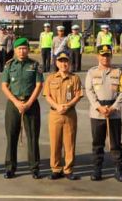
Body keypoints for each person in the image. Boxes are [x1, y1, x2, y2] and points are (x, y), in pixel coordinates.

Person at [1, 37, 44, 179]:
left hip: (31, 104)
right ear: (15, 50)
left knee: (32, 136)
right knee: (11, 136)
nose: (22, 51)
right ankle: (10, 167)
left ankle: (34, 167)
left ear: (28, 50)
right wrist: (16, 102)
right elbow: (4, 86)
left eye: (24, 48)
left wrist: (29, 103)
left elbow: (39, 85)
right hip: (13, 104)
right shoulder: (9, 65)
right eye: (19, 49)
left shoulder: (35, 65)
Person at [84, 44, 122, 182]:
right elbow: (89, 91)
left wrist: (113, 108)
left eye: (107, 55)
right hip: (97, 113)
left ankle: (118, 169)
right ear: (98, 56)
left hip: (113, 113)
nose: (105, 58)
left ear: (111, 56)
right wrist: (99, 107)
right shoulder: (91, 72)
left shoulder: (119, 73)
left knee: (115, 143)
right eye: (102, 55)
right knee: (97, 143)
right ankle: (97, 169)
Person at [43, 50, 83, 180]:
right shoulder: (51, 78)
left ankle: (68, 169)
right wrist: (57, 106)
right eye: (61, 61)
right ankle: (56, 169)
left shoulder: (74, 78)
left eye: (66, 61)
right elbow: (47, 95)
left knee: (69, 143)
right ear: (56, 63)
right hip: (55, 114)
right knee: (55, 142)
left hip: (69, 114)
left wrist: (68, 105)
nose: (63, 64)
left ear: (69, 63)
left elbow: (78, 95)